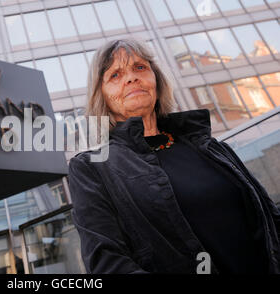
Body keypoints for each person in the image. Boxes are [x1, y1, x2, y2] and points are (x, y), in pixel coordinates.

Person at [67, 38, 280, 274]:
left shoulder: (211, 147)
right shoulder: (92, 168)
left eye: (140, 67)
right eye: (115, 75)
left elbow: (270, 218)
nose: (131, 77)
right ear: (102, 96)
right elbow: (107, 263)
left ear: (155, 80)